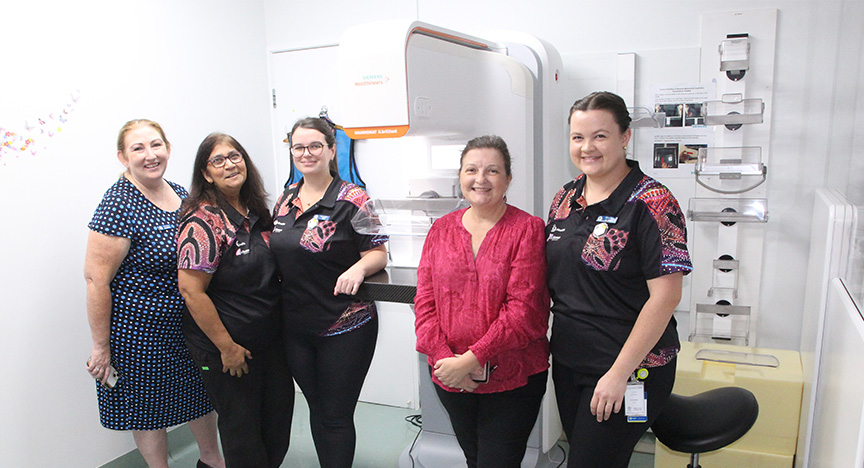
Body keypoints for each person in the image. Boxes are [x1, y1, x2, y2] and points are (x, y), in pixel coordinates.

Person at [545, 91, 692, 468]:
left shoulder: (654, 203)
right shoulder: (566, 197)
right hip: (570, 362)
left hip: (628, 367)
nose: (587, 147)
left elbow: (665, 298)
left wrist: (618, 375)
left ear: (625, 137)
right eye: (578, 137)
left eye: (600, 136)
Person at [84, 119, 224, 468]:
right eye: (138, 148)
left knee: (200, 396)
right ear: (122, 157)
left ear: (168, 149)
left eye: (156, 145)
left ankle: (211, 459)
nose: (150, 155)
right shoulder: (119, 203)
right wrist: (101, 345)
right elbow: (95, 281)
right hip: (138, 332)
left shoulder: (181, 194)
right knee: (148, 411)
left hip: (185, 324)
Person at [414, 135, 550, 468]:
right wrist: (448, 361)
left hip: (512, 377)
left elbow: (524, 311)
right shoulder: (441, 230)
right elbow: (425, 304)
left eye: (492, 171)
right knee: (475, 459)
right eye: (471, 170)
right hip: (451, 377)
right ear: (460, 176)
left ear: (508, 179)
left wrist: (470, 360)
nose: (480, 179)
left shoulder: (527, 229)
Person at [270, 117, 388, 468]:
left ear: (332, 150)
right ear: (292, 152)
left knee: (336, 415)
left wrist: (359, 267)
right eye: (299, 147)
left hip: (345, 325)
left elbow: (379, 251)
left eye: (315, 146)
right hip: (296, 327)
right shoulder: (285, 199)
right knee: (317, 409)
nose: (307, 153)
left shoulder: (353, 199)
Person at [177, 133, 294, 467]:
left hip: (269, 343)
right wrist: (226, 347)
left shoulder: (257, 211)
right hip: (228, 349)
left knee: (276, 426)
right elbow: (191, 291)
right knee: (243, 435)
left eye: (235, 156)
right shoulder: (203, 221)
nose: (229, 164)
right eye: (218, 160)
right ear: (206, 173)